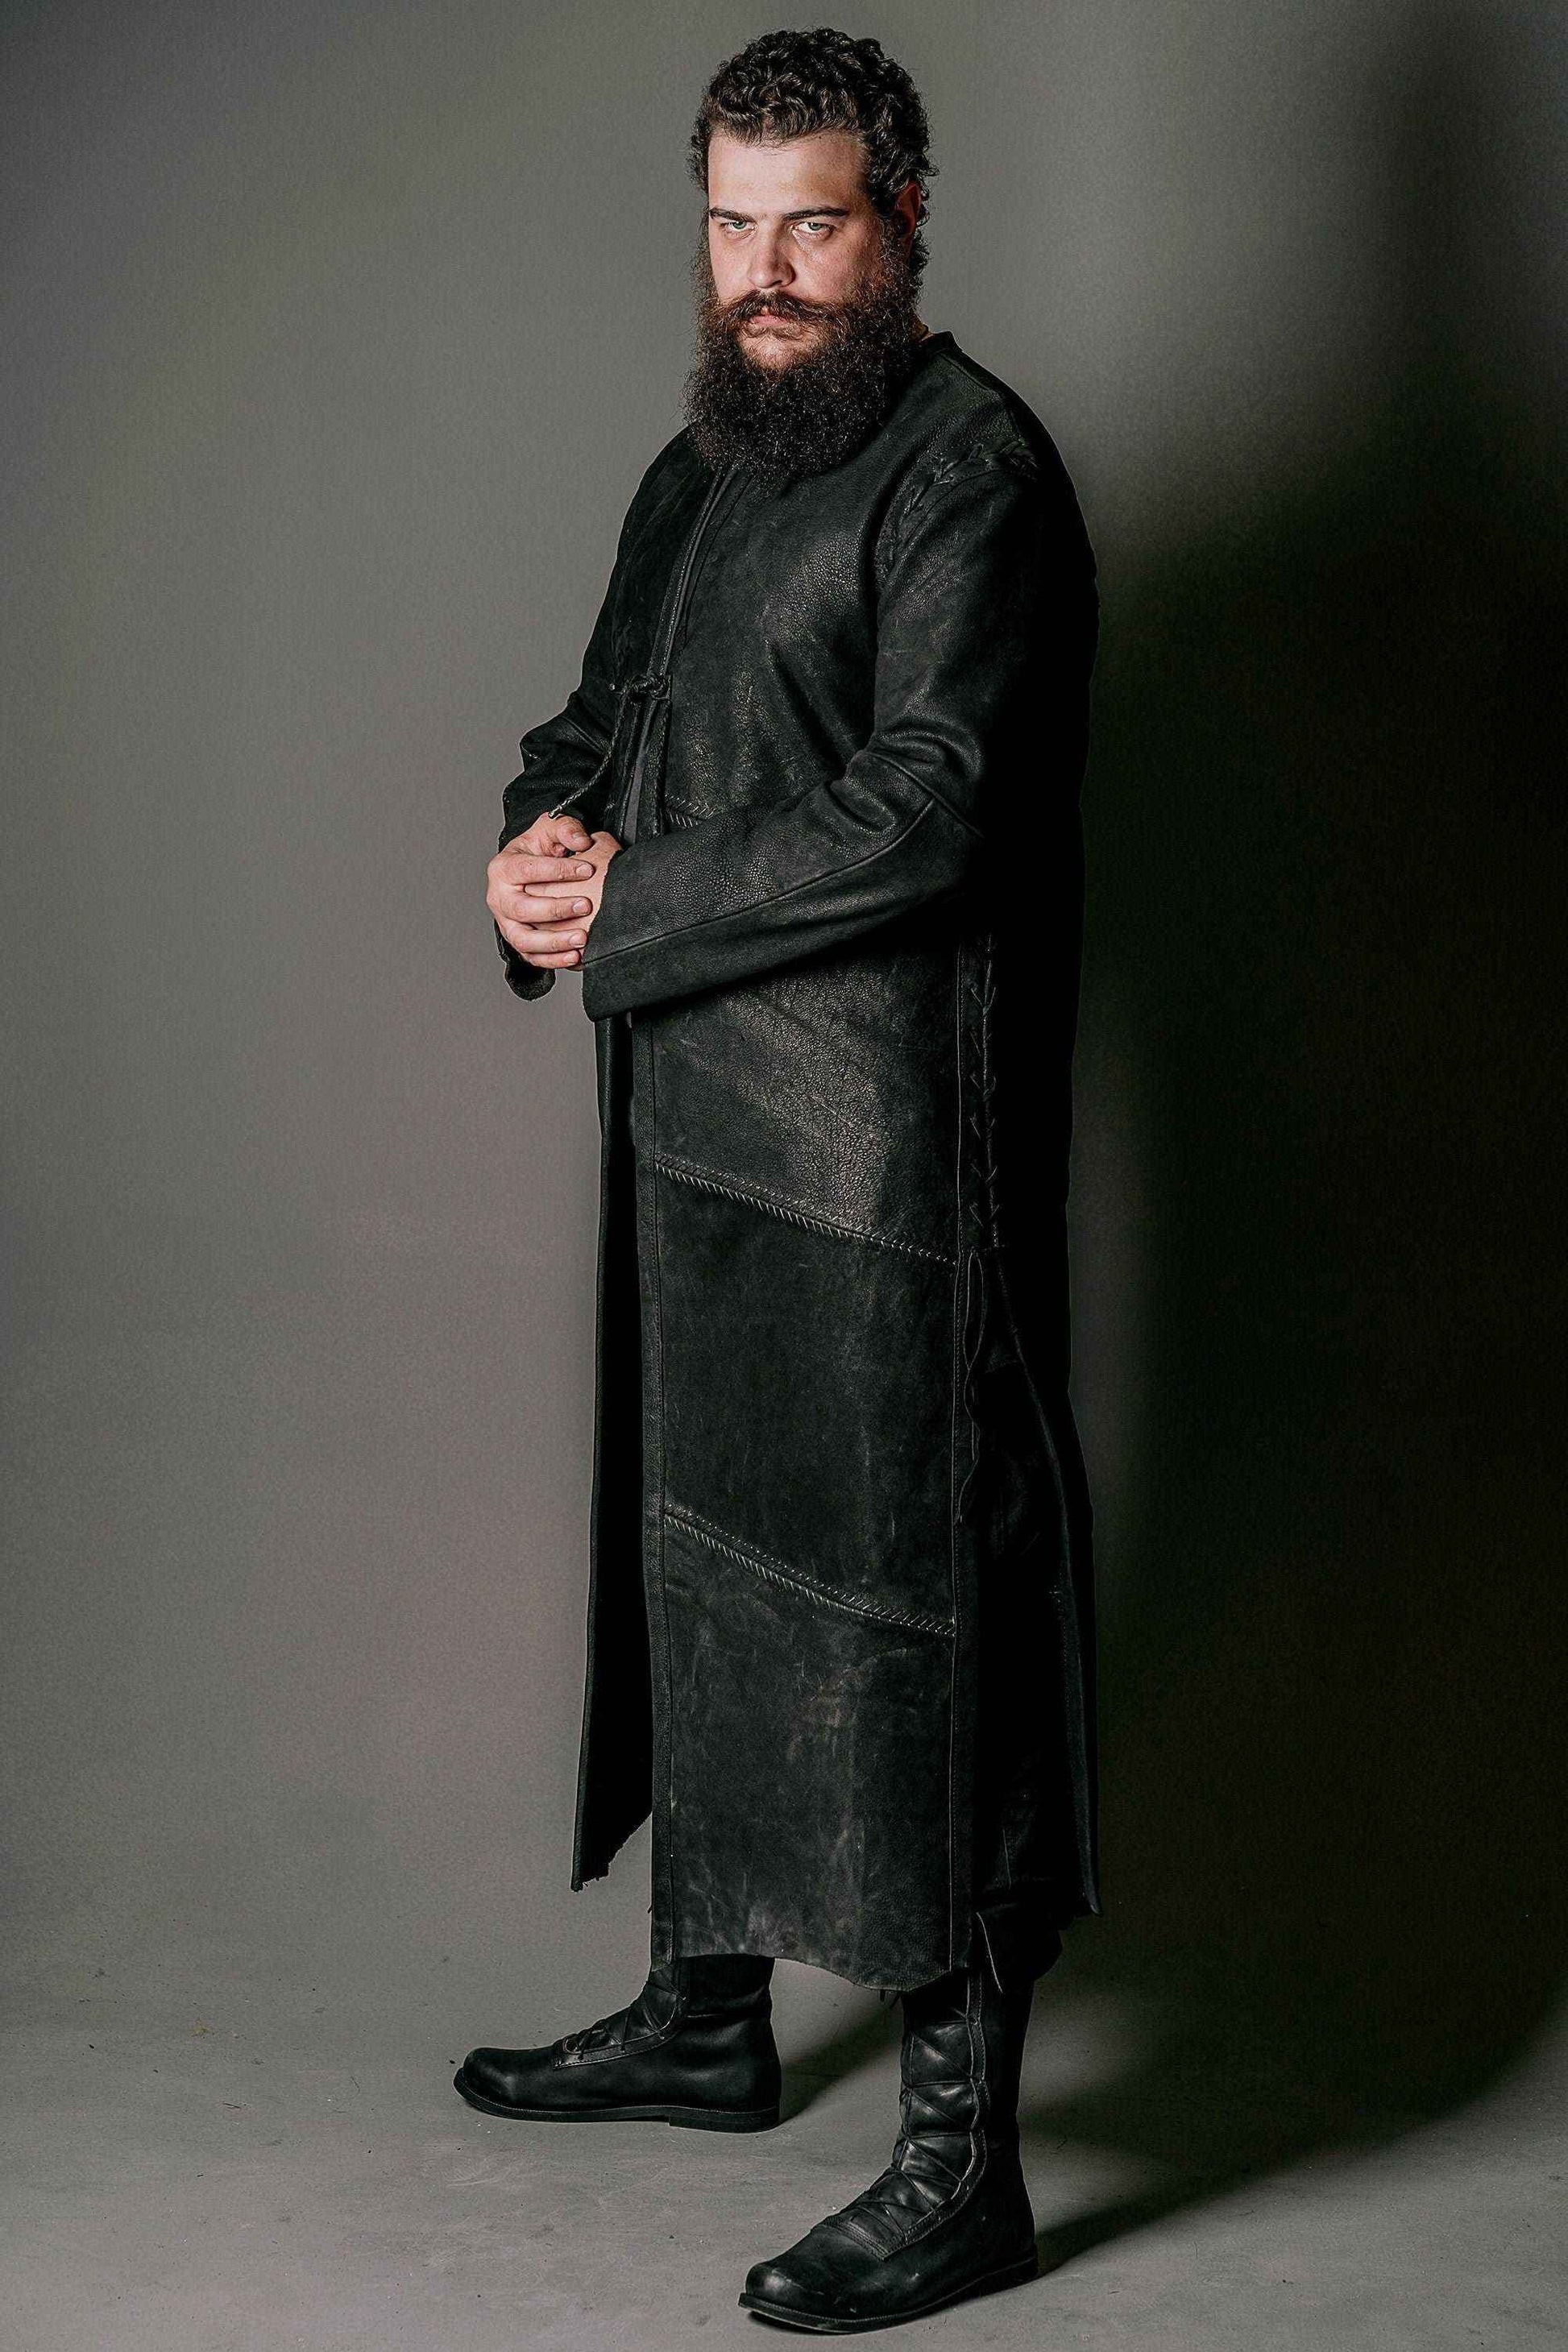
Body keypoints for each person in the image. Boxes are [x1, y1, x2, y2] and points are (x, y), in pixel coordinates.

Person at [460, 27, 1100, 2333]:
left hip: (894, 1157)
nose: (764, 275)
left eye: (809, 226)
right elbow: (596, 725)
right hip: (690, 1122)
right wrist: (534, 854)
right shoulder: (702, 461)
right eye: (731, 228)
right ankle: (707, 2016)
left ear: (902, 222)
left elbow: (933, 805)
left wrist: (627, 906)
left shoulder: (974, 474)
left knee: (919, 1619)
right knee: (701, 1566)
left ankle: (961, 2161)